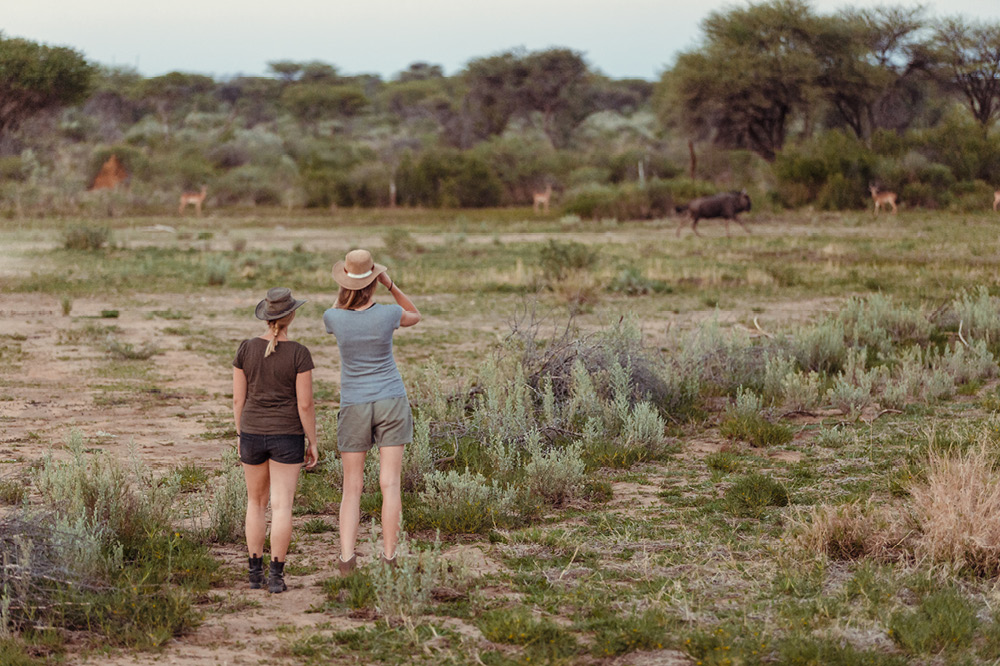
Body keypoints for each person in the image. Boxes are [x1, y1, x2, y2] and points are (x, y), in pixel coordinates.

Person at [324, 249, 421, 575]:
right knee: (389, 484)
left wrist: (348, 290)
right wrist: (390, 284)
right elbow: (415, 314)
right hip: (391, 399)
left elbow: (340, 309)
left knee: (352, 487)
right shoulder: (390, 314)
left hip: (354, 403)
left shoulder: (332, 317)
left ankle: (348, 560)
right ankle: (390, 559)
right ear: (374, 280)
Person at [233, 287, 319, 593]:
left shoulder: (245, 349)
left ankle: (254, 574)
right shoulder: (299, 353)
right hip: (287, 436)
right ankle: (276, 577)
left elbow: (237, 401)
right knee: (282, 506)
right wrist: (313, 441)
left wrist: (241, 432)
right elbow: (305, 405)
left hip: (252, 433)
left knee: (255, 503)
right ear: (290, 316)